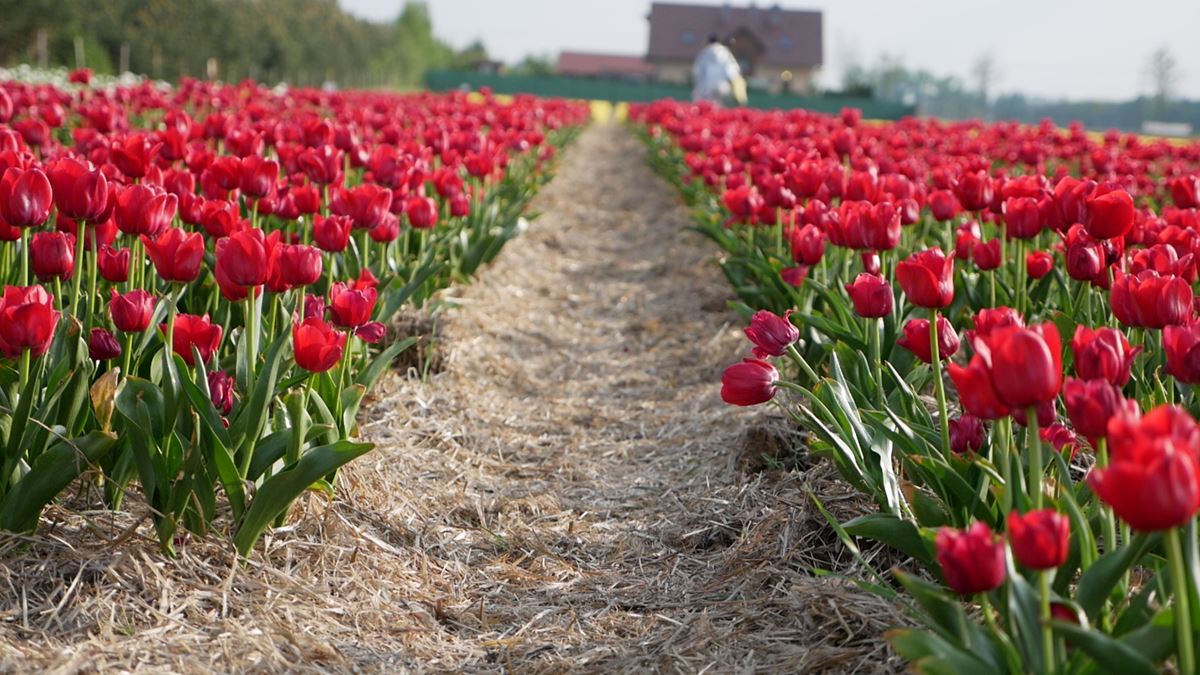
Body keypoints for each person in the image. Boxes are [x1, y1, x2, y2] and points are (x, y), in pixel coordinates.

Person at [691, 33, 746, 106]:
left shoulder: (704, 53)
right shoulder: (724, 52)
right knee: (718, 108)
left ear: (708, 42)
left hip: (706, 87)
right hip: (721, 86)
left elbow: (697, 72)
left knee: (707, 109)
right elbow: (733, 71)